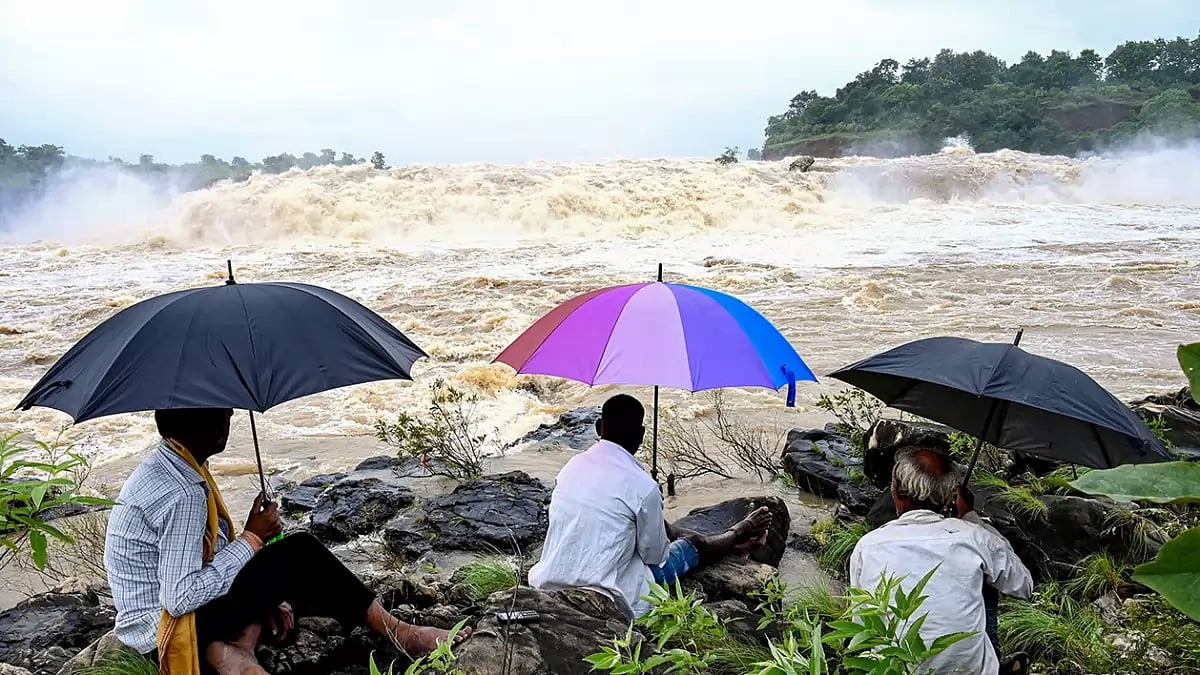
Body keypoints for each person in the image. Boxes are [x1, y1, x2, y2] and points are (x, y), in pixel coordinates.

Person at [104, 408, 470, 675]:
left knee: (285, 572)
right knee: (299, 553)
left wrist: (268, 590)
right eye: (222, 412)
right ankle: (402, 634)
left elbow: (205, 559)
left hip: (157, 622)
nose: (230, 415)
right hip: (166, 634)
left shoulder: (170, 466)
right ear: (203, 423)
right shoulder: (182, 493)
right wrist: (251, 537)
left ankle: (234, 650)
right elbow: (181, 596)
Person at [530, 394, 772, 618]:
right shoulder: (642, 486)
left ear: (598, 427)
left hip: (553, 578)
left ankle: (716, 538)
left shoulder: (571, 467)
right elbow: (656, 556)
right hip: (611, 594)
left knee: (656, 529)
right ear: (641, 435)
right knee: (693, 545)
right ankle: (738, 534)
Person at [849, 446, 1033, 675]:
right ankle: (994, 662)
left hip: (893, 668)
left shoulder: (867, 546)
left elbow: (859, 623)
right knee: (984, 574)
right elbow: (1024, 586)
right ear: (950, 496)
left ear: (896, 490)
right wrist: (970, 518)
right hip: (968, 671)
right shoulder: (975, 537)